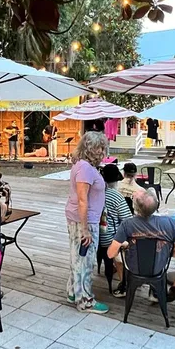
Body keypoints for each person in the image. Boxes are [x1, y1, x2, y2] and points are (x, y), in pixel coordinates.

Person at [107, 189, 175, 297]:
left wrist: (125, 245)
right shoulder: (168, 222)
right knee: (156, 253)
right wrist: (164, 253)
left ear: (135, 208)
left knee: (119, 254)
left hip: (134, 267)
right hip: (158, 266)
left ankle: (123, 286)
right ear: (156, 205)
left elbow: (111, 254)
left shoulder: (127, 224)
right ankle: (155, 292)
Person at [66, 131, 109, 314]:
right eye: (100, 148)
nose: (103, 152)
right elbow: (83, 200)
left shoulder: (84, 165)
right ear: (91, 148)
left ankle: (72, 292)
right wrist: (85, 230)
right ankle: (85, 300)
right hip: (84, 221)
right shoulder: (84, 168)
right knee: (85, 260)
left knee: (77, 257)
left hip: (83, 218)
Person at [97, 164, 132, 298]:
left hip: (97, 235)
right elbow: (127, 220)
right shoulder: (116, 196)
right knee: (130, 242)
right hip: (110, 239)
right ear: (117, 180)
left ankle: (111, 266)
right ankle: (125, 282)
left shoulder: (97, 193)